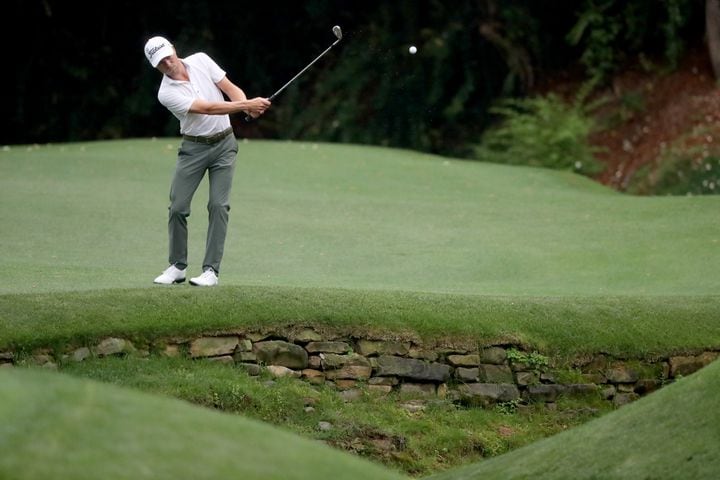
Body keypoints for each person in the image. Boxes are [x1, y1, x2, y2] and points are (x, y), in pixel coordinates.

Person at [144, 36, 271, 286]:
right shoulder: (166, 93)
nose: (168, 63)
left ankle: (211, 271)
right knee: (178, 207)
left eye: (168, 56)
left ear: (173, 49)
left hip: (224, 145)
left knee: (218, 206)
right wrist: (246, 105)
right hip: (194, 149)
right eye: (161, 62)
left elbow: (229, 87)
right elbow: (208, 108)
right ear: (155, 66)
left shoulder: (201, 60)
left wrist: (246, 106)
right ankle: (177, 266)